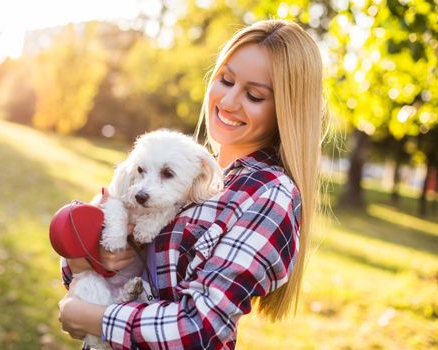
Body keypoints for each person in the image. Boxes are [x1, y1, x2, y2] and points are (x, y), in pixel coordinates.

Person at [58, 19, 324, 349]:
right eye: (225, 80)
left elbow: (200, 328)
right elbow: (88, 264)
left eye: (254, 95)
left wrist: (95, 318)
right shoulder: (188, 167)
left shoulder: (269, 195)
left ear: (285, 109)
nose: (228, 102)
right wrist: (86, 257)